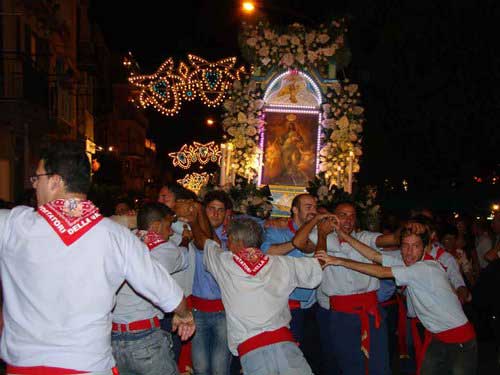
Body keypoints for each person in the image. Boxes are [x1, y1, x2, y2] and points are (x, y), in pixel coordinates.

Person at [0, 142, 195, 374]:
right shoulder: (115, 236)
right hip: (87, 365)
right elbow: (164, 288)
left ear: (54, 181)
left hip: (23, 366)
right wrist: (184, 315)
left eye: (37, 178)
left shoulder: (13, 225)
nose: (34, 185)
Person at [181, 198, 323, 375]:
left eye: (230, 240)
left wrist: (195, 221)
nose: (228, 244)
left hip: (253, 352)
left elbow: (205, 243)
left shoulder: (226, 263)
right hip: (287, 347)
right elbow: (320, 264)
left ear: (237, 242)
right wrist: (323, 234)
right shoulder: (281, 263)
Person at [317, 224, 477, 375]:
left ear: (425, 247)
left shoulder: (425, 268)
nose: (409, 252)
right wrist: (342, 233)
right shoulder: (410, 265)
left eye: (415, 246)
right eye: (405, 246)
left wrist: (338, 261)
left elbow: (380, 272)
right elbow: (374, 255)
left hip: (459, 340)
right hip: (437, 337)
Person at [293, 199, 411, 375]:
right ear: (334, 217)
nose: (348, 220)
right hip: (341, 313)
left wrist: (410, 226)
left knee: (379, 364)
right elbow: (299, 243)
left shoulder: (365, 237)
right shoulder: (323, 236)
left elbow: (393, 239)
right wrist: (318, 221)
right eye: (343, 215)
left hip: (371, 309)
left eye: (352, 216)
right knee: (348, 364)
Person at [111, 202, 189, 375]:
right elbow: (185, 257)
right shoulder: (165, 249)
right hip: (145, 340)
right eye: (168, 226)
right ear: (155, 226)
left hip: (113, 339)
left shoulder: (124, 241)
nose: (170, 232)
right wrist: (185, 238)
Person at [261, 194, 317, 345]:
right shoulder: (277, 230)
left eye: (315, 207)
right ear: (295, 210)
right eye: (308, 207)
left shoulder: (319, 232)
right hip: (287, 304)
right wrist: (295, 243)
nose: (313, 211)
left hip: (313, 304)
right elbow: (267, 252)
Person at [189, 190, 234, 375]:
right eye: (211, 209)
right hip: (197, 311)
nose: (215, 214)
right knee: (200, 367)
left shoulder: (229, 239)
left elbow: (210, 245)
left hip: (223, 312)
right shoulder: (191, 234)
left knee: (219, 369)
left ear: (226, 214)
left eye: (220, 210)